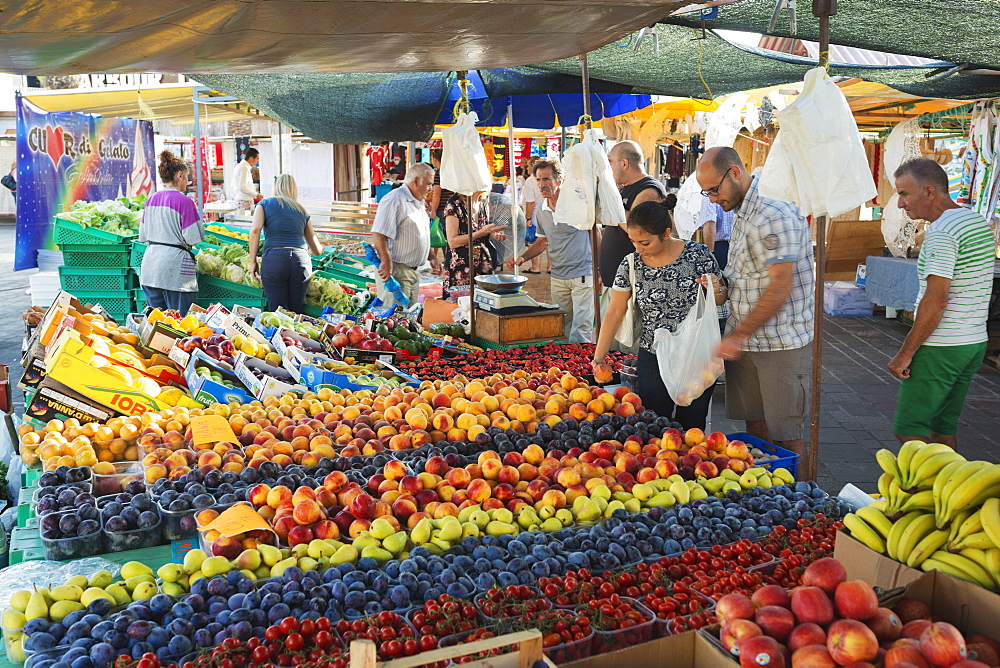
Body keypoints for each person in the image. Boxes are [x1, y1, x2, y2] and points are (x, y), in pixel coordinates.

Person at [695, 147, 815, 457]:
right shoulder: (742, 211)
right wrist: (721, 286)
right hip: (747, 342)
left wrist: (737, 336)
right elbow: (749, 277)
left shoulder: (771, 214)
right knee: (757, 432)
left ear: (734, 172)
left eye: (713, 189)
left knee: (786, 436)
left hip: (778, 344)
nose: (711, 199)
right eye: (705, 192)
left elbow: (780, 286)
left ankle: (803, 500)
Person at [887, 159, 995, 450]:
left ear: (930, 192)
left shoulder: (943, 231)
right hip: (971, 343)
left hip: (942, 346)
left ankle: (927, 490)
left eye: (904, 194)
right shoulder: (973, 220)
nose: (900, 204)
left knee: (909, 431)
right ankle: (952, 494)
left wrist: (905, 353)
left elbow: (936, 300)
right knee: (941, 429)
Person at [591, 201, 725, 429]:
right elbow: (615, 311)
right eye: (633, 242)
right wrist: (599, 357)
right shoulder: (631, 264)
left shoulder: (697, 254)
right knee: (653, 423)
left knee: (692, 423)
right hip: (653, 354)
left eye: (644, 242)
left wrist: (717, 288)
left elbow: (720, 299)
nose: (638, 249)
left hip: (696, 354)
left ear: (665, 233)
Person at [508, 158, 594, 343]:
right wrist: (522, 259)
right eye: (538, 180)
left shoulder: (577, 204)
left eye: (546, 179)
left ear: (559, 180)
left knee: (581, 329)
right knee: (561, 325)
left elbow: (596, 235)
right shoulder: (541, 211)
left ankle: (582, 369)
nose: (542, 185)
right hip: (558, 276)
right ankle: (564, 368)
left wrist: (600, 269)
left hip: (583, 274)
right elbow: (542, 242)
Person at [139, 151, 205, 314]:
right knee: (181, 324)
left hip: (150, 268)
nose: (188, 182)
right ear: (180, 175)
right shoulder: (185, 202)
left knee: (157, 325)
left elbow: (142, 236)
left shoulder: (151, 199)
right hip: (176, 271)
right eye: (188, 177)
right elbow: (193, 237)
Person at [248, 174, 324, 313]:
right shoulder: (302, 210)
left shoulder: (264, 204)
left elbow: (255, 230)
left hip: (275, 260)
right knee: (295, 313)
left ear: (275, 187)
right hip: (301, 261)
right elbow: (317, 250)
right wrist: (321, 247)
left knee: (277, 313)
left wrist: (253, 261)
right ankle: (294, 334)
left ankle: (278, 335)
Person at [371, 163, 442, 306]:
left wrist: (432, 257)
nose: (430, 189)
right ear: (415, 181)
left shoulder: (419, 201)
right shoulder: (394, 200)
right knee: (393, 318)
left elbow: (418, 234)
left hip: (413, 272)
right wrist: (386, 262)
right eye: (428, 184)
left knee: (408, 318)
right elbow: (379, 234)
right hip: (396, 271)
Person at [601, 141, 666, 288]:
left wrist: (611, 202)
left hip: (633, 281)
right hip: (615, 279)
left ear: (624, 163)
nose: (609, 167)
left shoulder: (649, 189)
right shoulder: (623, 188)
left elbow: (635, 228)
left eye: (611, 162)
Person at [442, 190, 504, 299]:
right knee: (461, 306)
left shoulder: (482, 201)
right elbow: (452, 241)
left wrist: (494, 234)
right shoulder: (454, 204)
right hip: (461, 266)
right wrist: (482, 232)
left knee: (484, 303)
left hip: (482, 263)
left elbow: (482, 232)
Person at [520, 157, 544, 274]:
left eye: (528, 165)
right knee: (546, 240)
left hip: (535, 215)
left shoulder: (531, 180)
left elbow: (530, 202)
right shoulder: (541, 179)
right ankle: (550, 267)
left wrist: (528, 218)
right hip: (545, 213)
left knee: (533, 241)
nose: (527, 168)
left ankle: (535, 267)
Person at [699, 195, 735, 271]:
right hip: (738, 244)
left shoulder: (708, 195)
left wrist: (709, 255)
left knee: (721, 280)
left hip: (720, 248)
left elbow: (710, 224)